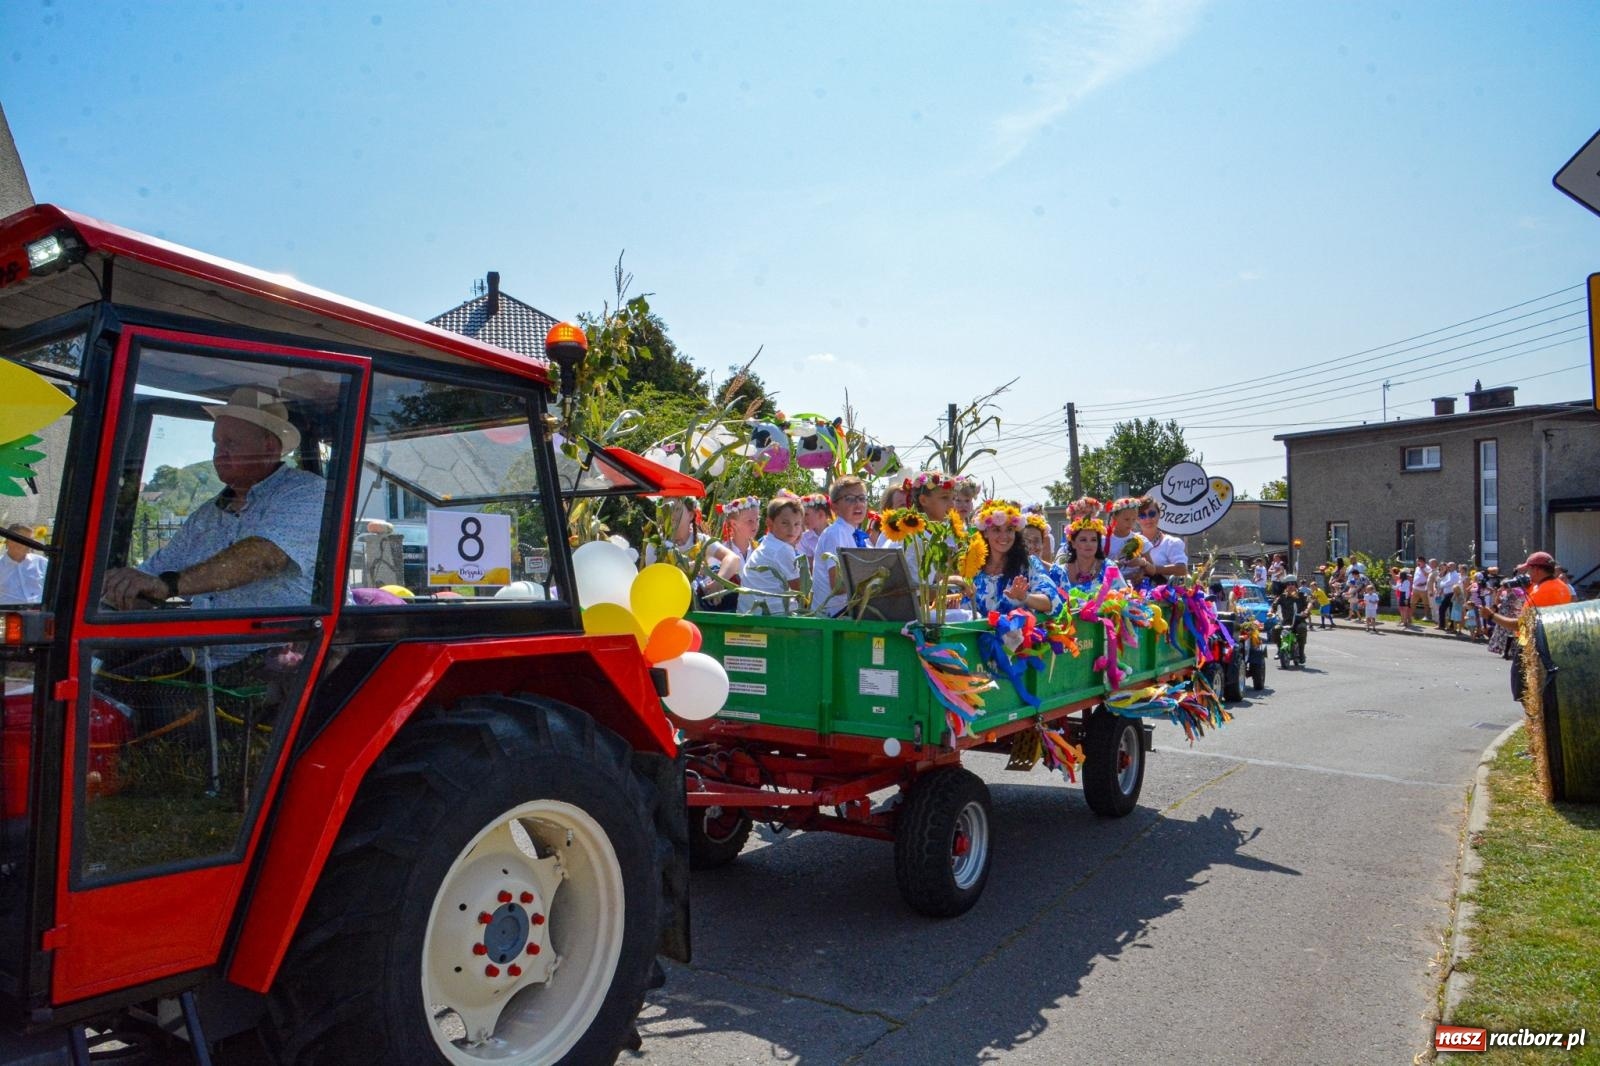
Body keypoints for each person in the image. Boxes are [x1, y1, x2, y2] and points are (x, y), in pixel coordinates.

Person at [103, 386, 324, 619]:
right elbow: (154, 575)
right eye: (216, 443)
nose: (219, 453)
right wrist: (122, 587)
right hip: (202, 650)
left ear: (268, 446)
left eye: (230, 443)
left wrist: (169, 585)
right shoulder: (207, 515)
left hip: (280, 648)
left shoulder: (305, 492)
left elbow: (264, 557)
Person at [965, 502, 1061, 614]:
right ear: (985, 532)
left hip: (1019, 631)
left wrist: (1024, 597)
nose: (1004, 536)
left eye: (1009, 529)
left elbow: (1053, 602)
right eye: (996, 530)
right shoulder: (973, 567)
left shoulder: (1029, 564)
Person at [812, 477, 871, 617]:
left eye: (862, 498)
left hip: (849, 610)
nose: (858, 504)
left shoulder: (858, 536)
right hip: (833, 616)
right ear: (834, 507)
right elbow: (838, 586)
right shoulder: (835, 533)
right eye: (850, 499)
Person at [738, 497, 804, 616]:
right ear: (770, 523)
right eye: (785, 523)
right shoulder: (782, 549)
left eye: (797, 524)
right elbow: (801, 591)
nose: (792, 529)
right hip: (772, 617)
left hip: (753, 613)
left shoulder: (768, 544)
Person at [1053, 496, 1127, 595]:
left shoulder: (1109, 568)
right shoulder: (1060, 571)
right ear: (1073, 543)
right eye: (1083, 540)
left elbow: (1124, 597)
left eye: (1093, 540)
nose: (1089, 544)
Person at [702, 496, 761, 611]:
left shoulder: (759, 551)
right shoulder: (721, 553)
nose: (755, 525)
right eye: (750, 521)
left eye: (757, 520)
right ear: (734, 524)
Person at [1132, 495, 1188, 586]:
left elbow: (1182, 569)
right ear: (1137, 519)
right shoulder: (1131, 541)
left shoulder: (1170, 542)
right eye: (1142, 515)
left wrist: (1152, 569)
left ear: (1159, 514)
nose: (1148, 519)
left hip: (1161, 597)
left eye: (1152, 514)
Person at [643, 498, 709, 569]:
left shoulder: (703, 541)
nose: (672, 514)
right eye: (666, 509)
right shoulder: (654, 547)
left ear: (690, 515)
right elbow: (653, 577)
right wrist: (686, 568)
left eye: (677, 509)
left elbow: (723, 557)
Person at [0, 524, 47, 604]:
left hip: (41, 613)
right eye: (23, 541)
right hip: (8, 614)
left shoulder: (42, 563)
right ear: (8, 541)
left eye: (30, 541)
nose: (28, 545)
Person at [1103, 497, 1148, 567]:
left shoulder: (1140, 540)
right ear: (1115, 517)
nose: (1130, 523)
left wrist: (1143, 563)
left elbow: (1153, 570)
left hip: (1136, 578)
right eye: (1127, 519)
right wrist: (1112, 565)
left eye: (1133, 519)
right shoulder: (1103, 540)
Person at [1272, 579, 1310, 661]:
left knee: (1302, 628)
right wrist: (1271, 611)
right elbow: (1274, 605)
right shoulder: (1282, 597)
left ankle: (1301, 652)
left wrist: (1306, 611)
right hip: (1285, 622)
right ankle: (1279, 649)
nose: (1290, 586)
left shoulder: (1302, 595)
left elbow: (1309, 603)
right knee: (1276, 629)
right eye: (1288, 584)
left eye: (1292, 584)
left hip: (1298, 621)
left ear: (1296, 586)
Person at [797, 493, 831, 564]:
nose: (803, 518)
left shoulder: (837, 533)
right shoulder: (804, 539)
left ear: (820, 514)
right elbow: (808, 567)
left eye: (806, 514)